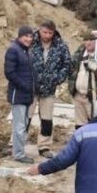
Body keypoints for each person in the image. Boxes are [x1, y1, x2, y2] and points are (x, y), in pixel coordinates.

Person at [29, 20, 72, 157]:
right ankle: (15, 142)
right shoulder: (31, 42)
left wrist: (57, 79)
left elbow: (67, 64)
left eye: (50, 33)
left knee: (46, 119)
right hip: (30, 86)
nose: (47, 35)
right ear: (39, 30)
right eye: (44, 32)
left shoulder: (60, 46)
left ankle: (44, 146)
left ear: (54, 32)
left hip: (49, 89)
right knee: (25, 117)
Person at [4, 26, 36, 163]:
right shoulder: (13, 50)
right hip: (18, 95)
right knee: (19, 126)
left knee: (23, 124)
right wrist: (24, 86)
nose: (29, 39)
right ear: (19, 36)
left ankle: (20, 151)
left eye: (31, 36)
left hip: (26, 95)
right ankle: (18, 154)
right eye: (26, 36)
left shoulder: (26, 51)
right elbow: (9, 73)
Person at [68, 30, 97, 127]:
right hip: (78, 95)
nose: (88, 43)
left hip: (93, 97)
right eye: (86, 40)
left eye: (91, 40)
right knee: (79, 125)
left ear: (96, 41)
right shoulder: (79, 54)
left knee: (94, 124)